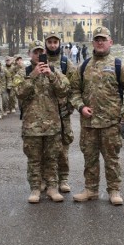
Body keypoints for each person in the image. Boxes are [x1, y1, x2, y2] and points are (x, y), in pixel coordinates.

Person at [70, 26, 124, 205]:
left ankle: (114, 190)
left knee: (112, 160)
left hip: (111, 124)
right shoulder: (83, 66)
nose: (100, 42)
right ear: (93, 43)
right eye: (97, 39)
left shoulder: (119, 66)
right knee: (90, 159)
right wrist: (80, 107)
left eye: (103, 39)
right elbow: (74, 92)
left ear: (110, 42)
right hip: (88, 124)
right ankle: (91, 189)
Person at [14, 40, 70, 203]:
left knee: (52, 158)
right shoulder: (22, 72)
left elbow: (64, 90)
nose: (38, 55)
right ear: (29, 54)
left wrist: (51, 76)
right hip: (32, 126)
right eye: (35, 52)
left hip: (52, 125)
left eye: (41, 52)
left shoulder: (54, 70)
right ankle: (35, 188)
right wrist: (32, 76)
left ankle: (52, 187)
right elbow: (19, 92)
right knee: (34, 159)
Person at [45, 31, 76, 193]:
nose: (52, 45)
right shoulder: (39, 61)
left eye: (55, 42)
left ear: (59, 43)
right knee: (45, 148)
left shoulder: (66, 63)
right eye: (50, 42)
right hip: (43, 114)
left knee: (63, 148)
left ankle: (63, 178)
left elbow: (74, 87)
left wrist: (69, 107)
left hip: (62, 114)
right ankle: (46, 179)